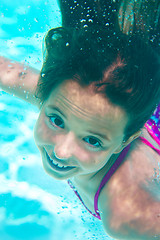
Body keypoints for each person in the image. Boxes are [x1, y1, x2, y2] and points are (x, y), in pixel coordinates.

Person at [1, 25, 160, 239]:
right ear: (44, 95)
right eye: (57, 121)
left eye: (92, 141)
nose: (61, 152)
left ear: (125, 141)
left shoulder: (128, 215)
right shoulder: (70, 100)